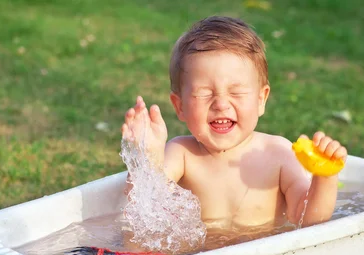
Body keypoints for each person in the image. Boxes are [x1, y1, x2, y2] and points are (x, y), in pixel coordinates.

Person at [121, 16, 347, 229]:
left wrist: (325, 177)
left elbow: (307, 219)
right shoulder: (182, 154)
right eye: (204, 93)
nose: (220, 104)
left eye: (236, 92)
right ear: (180, 106)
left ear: (261, 99)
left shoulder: (278, 153)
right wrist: (146, 156)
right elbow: (143, 211)